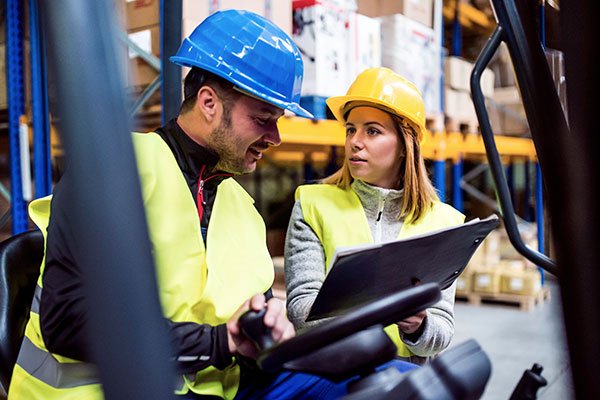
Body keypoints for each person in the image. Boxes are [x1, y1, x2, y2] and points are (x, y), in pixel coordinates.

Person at [8, 10, 419, 400]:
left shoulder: (243, 209)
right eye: (263, 118)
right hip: (102, 391)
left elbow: (246, 333)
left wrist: (272, 333)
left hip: (216, 388)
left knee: (398, 381)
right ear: (209, 103)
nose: (275, 137)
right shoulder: (114, 172)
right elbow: (65, 322)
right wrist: (220, 342)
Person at [285, 67, 465, 366]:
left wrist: (419, 325)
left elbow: (442, 331)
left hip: (406, 382)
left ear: (406, 145)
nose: (355, 141)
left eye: (372, 131)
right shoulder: (313, 205)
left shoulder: (442, 222)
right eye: (350, 129)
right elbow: (302, 311)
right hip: (332, 376)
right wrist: (386, 307)